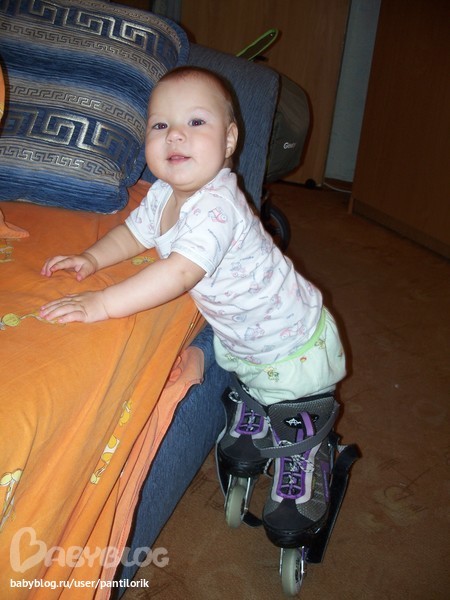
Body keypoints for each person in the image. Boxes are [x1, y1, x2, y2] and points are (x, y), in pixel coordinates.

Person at [40, 66, 346, 547]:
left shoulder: (217, 205)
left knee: (294, 399)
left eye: (196, 122)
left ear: (229, 140)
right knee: (249, 368)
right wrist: (92, 259)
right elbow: (134, 233)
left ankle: (307, 447)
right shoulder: (164, 193)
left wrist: (103, 303)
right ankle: (258, 399)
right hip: (244, 335)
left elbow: (179, 272)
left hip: (292, 339)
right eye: (160, 125)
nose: (175, 134)